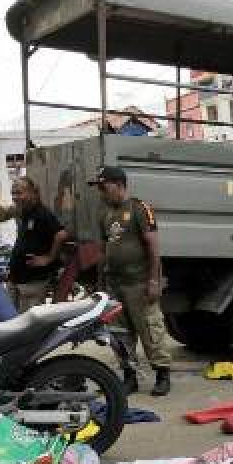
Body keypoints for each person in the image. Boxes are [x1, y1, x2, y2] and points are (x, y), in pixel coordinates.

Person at [91, 166, 174, 396]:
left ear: (119, 185)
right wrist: (100, 285)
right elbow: (103, 249)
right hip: (115, 284)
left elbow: (154, 247)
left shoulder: (140, 208)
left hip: (139, 283)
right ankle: (130, 377)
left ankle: (162, 375)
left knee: (150, 329)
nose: (101, 192)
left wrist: (154, 281)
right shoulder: (104, 213)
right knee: (120, 333)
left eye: (104, 186)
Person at [4, 177, 67, 312]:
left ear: (33, 192)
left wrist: (49, 258)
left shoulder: (42, 213)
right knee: (11, 319)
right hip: (16, 279)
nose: (15, 197)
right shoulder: (25, 213)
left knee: (28, 324)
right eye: (13, 193)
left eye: (19, 193)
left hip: (32, 281)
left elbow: (61, 234)